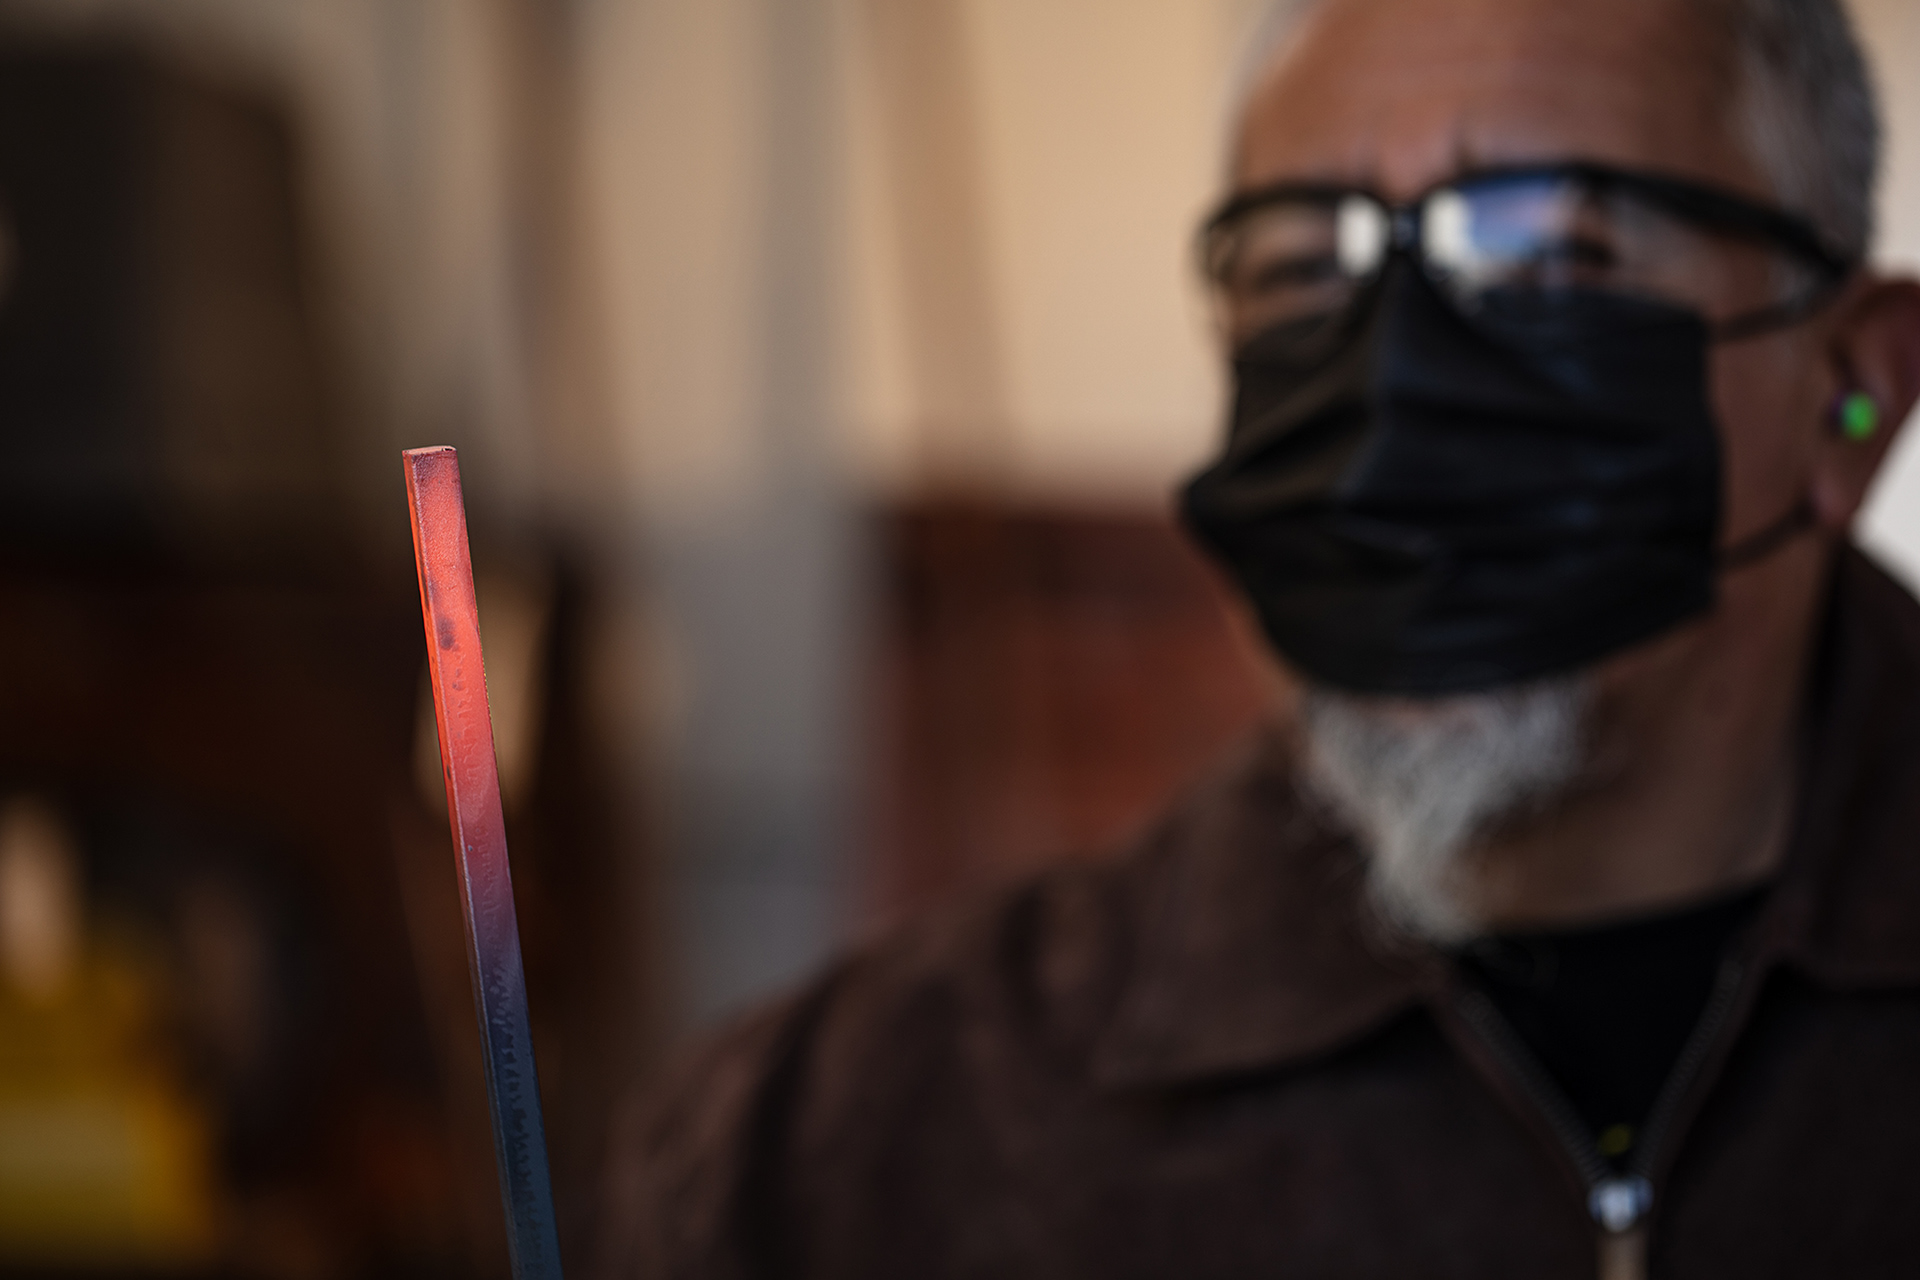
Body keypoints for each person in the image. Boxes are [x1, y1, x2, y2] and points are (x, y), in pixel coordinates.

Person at [596, 0, 1920, 1275]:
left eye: (1552, 256)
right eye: (1301, 270)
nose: (1391, 394)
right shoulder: (826, 1164)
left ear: (1851, 391)